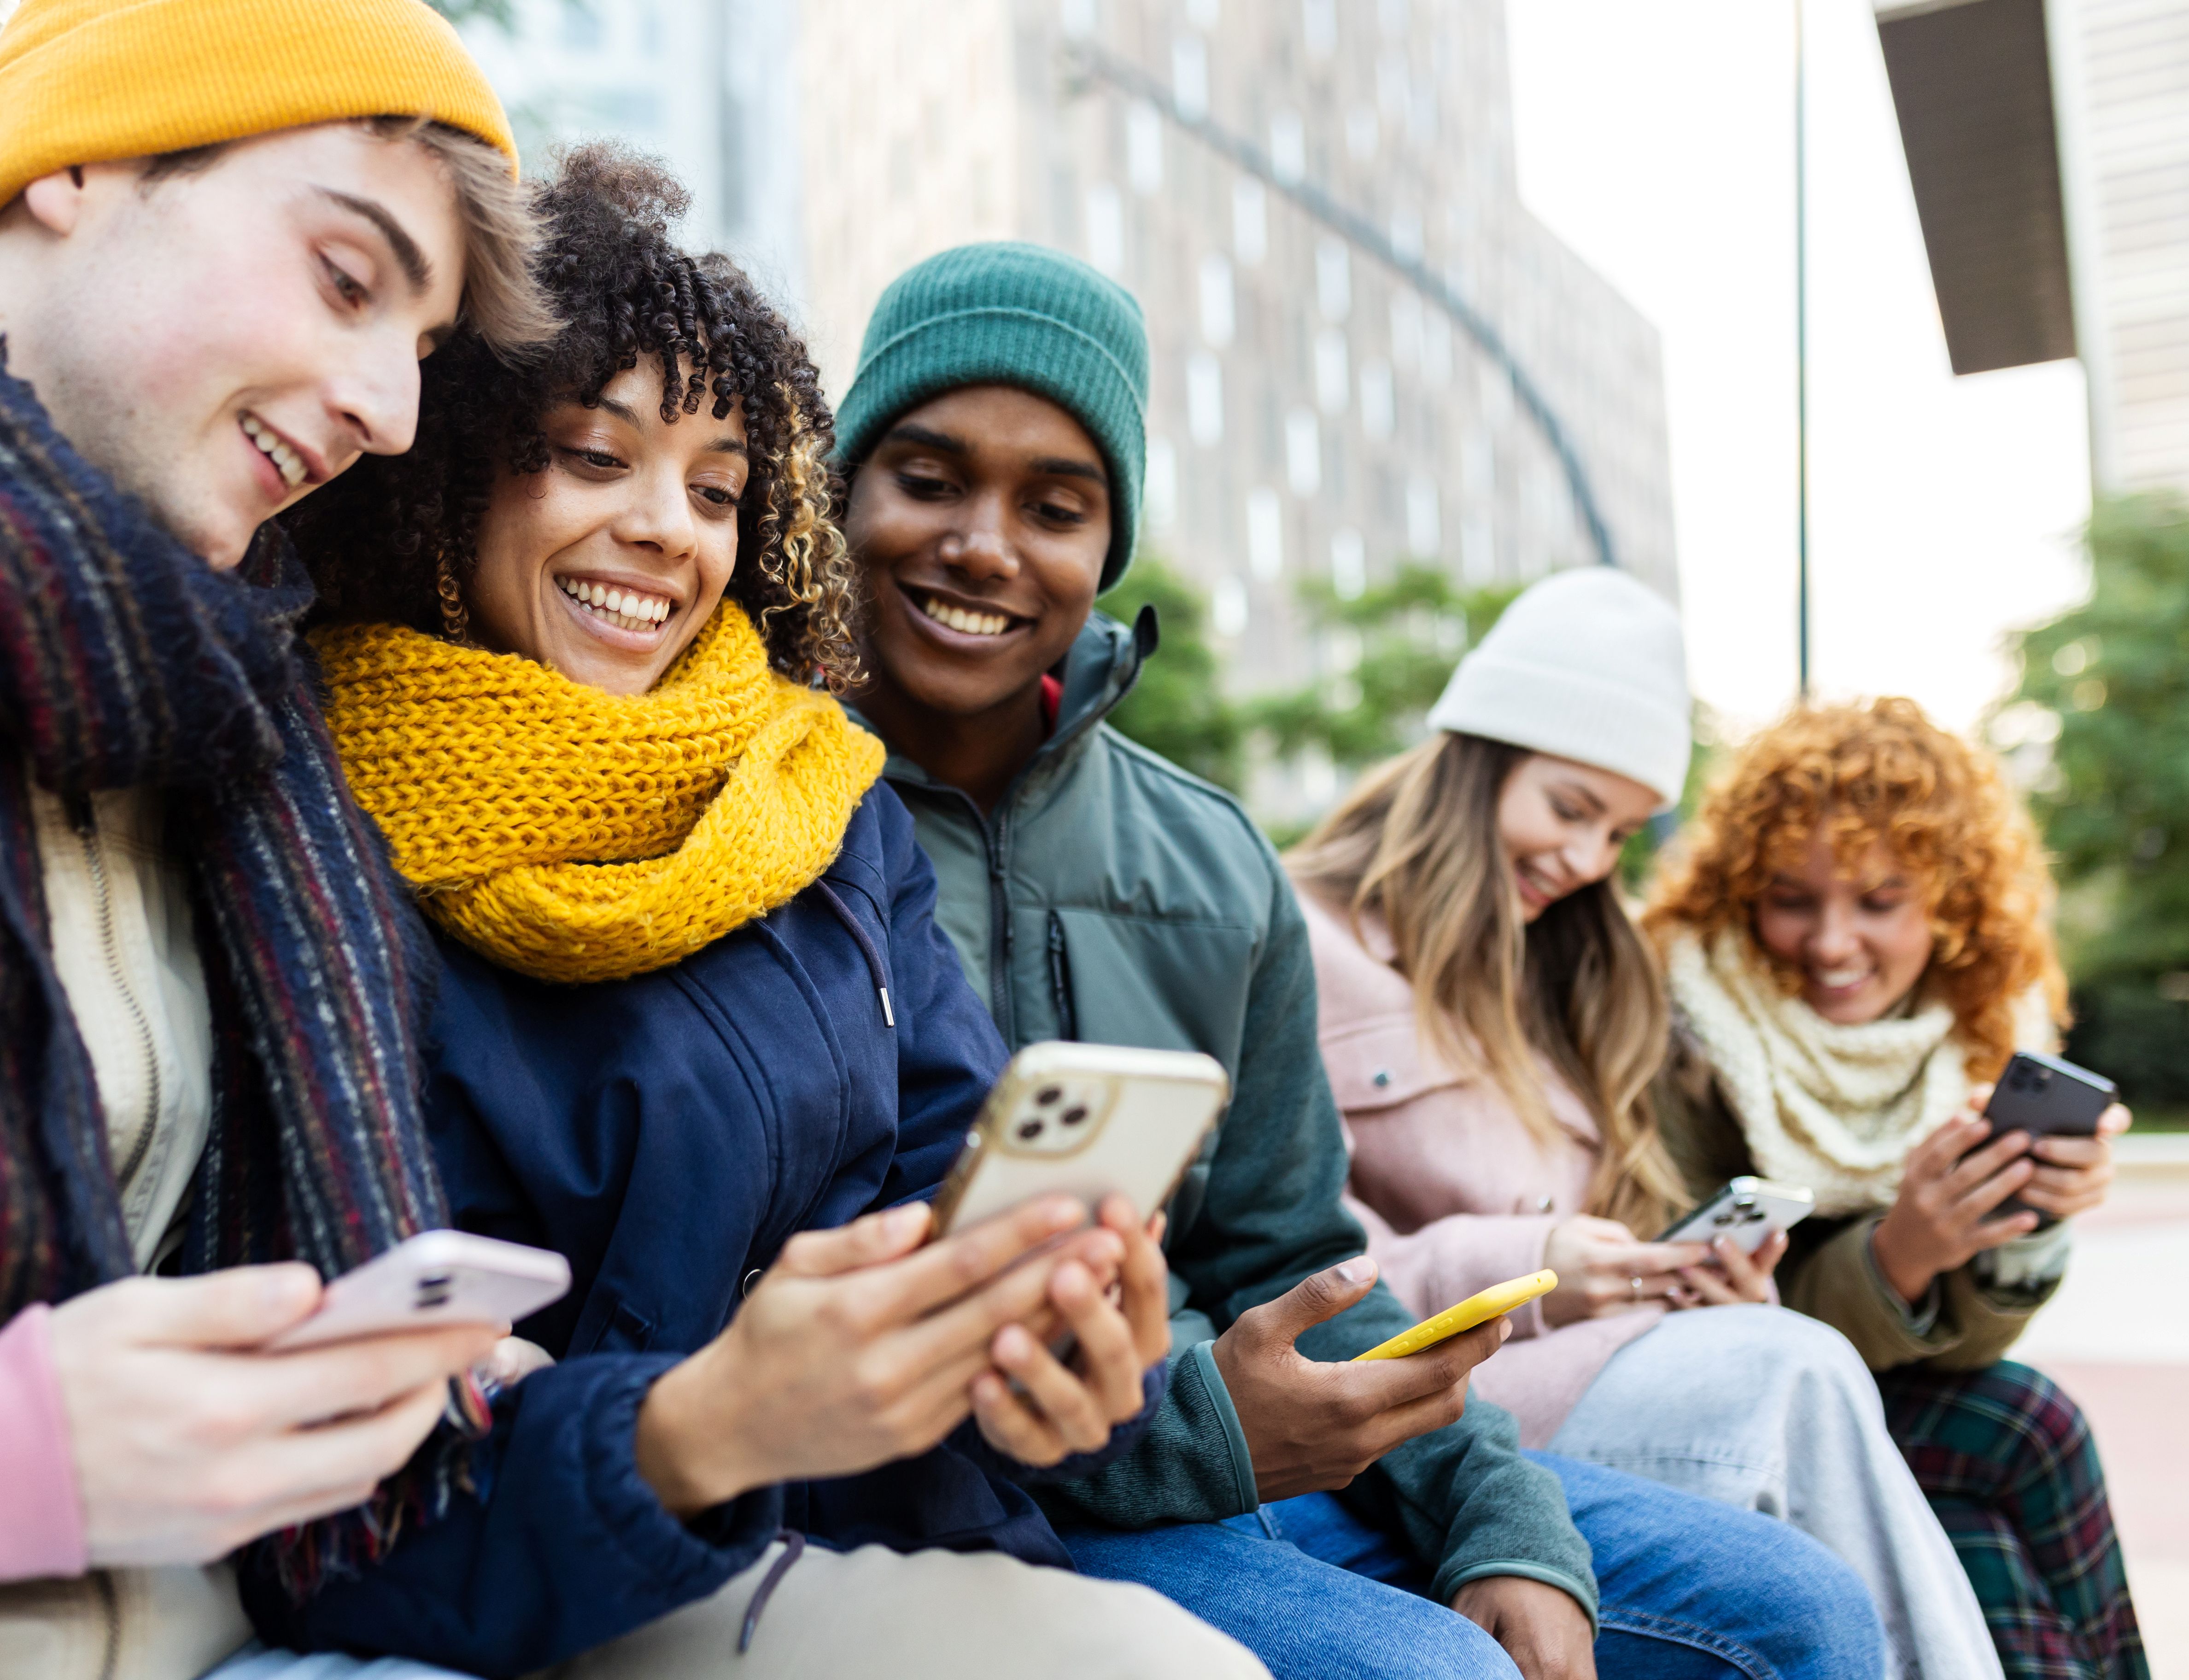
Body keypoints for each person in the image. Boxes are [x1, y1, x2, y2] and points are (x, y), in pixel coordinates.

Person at [258, 152, 1264, 1680]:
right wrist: (707, 1423)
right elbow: (341, 1477)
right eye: (594, 457)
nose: (669, 529)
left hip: (901, 1538)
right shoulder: (303, 821)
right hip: (549, 1582)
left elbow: (948, 1172)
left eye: (717, 488)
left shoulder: (818, 796)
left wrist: (1048, 1348)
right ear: (448, 469)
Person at [832, 240, 1887, 1680]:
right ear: (842, 491)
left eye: (1056, 506)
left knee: (1799, 1615)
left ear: (1109, 546)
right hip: (1016, 1494)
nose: (984, 545)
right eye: (929, 479)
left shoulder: (1210, 859)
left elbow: (1295, 1250)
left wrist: (1496, 1514)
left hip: (1267, 1451)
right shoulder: (775, 810)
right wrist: (1211, 1433)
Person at [0, 2, 560, 1678]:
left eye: (422, 351)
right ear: (76, 162)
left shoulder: (206, 698)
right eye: (346, 279)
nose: (391, 412)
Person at [1289, 571, 2005, 1680]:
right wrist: (1536, 1267)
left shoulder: (1579, 971)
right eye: (1570, 808)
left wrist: (1692, 1282)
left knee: (1921, 1400)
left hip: (1581, 1371)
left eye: (1619, 832)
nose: (1586, 860)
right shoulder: (1297, 937)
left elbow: (1624, 1229)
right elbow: (1288, 1260)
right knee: (1795, 1372)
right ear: (1475, 759)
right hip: (1434, 1407)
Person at [1642, 697, 2146, 1680]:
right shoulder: (1684, 1024)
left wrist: (2031, 1218)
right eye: (1792, 899)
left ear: (1949, 902)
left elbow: (1975, 1344)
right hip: (1729, 1395)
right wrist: (1902, 1251)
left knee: (2019, 1439)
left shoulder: (1984, 1018)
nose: (1833, 944)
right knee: (2019, 1435)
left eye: (1879, 902)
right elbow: (1709, 1313)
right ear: (1742, 893)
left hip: (1873, 1384)